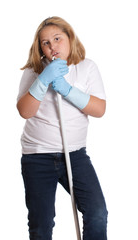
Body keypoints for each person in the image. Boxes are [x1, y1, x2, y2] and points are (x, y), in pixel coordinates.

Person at [16, 16, 108, 240]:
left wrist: (67, 90)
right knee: (41, 224)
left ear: (70, 38)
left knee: (97, 213)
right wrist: (43, 81)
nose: (52, 46)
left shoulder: (86, 67)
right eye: (45, 43)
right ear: (40, 48)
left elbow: (99, 109)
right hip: (37, 156)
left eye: (57, 38)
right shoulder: (34, 71)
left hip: (75, 155)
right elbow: (24, 111)